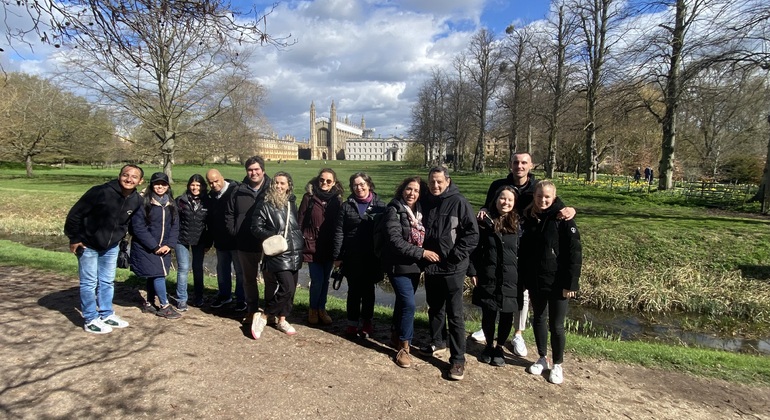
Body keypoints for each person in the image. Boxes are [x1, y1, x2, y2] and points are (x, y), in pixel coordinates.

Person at [473, 152, 575, 357]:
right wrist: (483, 209)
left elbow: (554, 203)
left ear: (531, 166)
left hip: (524, 243)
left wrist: (570, 210)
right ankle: (489, 331)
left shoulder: (536, 187)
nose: (519, 166)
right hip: (499, 239)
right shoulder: (498, 185)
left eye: (523, 163)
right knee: (498, 291)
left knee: (521, 295)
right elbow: (488, 204)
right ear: (510, 164)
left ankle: (518, 333)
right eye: (516, 162)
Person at [64, 164, 144, 334]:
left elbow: (128, 224)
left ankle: (106, 314)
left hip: (111, 246)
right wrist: (75, 238)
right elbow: (75, 215)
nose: (129, 179)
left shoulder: (136, 200)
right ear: (119, 175)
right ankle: (90, 319)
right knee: (89, 283)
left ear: (140, 181)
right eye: (126, 175)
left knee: (107, 281)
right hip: (88, 244)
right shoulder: (100, 192)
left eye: (134, 177)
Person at [519, 181, 582, 384]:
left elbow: (574, 253)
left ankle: (558, 364)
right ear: (534, 196)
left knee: (556, 325)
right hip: (536, 279)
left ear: (554, 197)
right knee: (538, 318)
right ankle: (542, 357)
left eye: (547, 197)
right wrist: (525, 278)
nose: (543, 200)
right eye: (539, 196)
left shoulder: (563, 218)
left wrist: (571, 284)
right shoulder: (530, 218)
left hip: (557, 281)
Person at [420, 166, 479, 381]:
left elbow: (472, 234)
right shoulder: (426, 201)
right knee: (435, 307)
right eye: (432, 182)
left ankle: (458, 359)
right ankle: (437, 342)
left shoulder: (459, 202)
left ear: (448, 181)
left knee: (455, 315)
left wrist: (455, 255)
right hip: (432, 264)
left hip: (453, 267)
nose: (435, 185)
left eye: (439, 181)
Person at [381, 176, 439, 368]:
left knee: (403, 302)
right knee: (409, 304)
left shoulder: (421, 211)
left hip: (414, 265)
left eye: (416, 190)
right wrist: (422, 253)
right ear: (402, 189)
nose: (412, 193)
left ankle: (395, 334)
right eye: (409, 189)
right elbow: (395, 241)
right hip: (397, 264)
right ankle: (404, 347)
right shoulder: (393, 210)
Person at [469, 186, 520, 368]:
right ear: (496, 200)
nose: (505, 202)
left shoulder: (519, 223)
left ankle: (499, 348)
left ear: (514, 203)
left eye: (510, 200)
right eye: (502, 198)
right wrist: (472, 271)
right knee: (489, 313)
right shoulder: (484, 222)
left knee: (506, 314)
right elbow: (474, 248)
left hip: (511, 278)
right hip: (488, 275)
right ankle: (489, 345)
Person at [250, 171, 304, 338]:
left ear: (288, 186)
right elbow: (255, 227)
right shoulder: (265, 203)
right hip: (279, 251)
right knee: (286, 288)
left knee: (291, 290)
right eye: (276, 183)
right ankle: (264, 316)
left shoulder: (292, 202)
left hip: (295, 251)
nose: (279, 186)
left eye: (282, 183)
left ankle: (282, 319)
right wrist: (273, 235)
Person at [333, 172, 387, 338]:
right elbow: (339, 231)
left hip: (372, 256)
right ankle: (352, 322)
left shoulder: (380, 205)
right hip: (352, 255)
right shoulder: (346, 206)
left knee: (369, 291)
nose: (359, 188)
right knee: (354, 291)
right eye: (355, 185)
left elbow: (385, 232)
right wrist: (337, 256)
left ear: (369, 185)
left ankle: (367, 322)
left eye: (362, 184)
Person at [225, 156, 271, 324]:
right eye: (250, 170)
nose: (253, 173)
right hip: (245, 241)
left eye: (256, 169)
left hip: (267, 243)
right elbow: (229, 213)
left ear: (263, 170)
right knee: (249, 280)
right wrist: (235, 231)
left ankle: (269, 312)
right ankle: (251, 310)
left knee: (270, 280)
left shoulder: (272, 189)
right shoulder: (238, 190)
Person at [130, 172, 182, 319]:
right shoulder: (143, 203)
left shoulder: (171, 204)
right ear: (152, 185)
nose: (160, 187)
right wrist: (154, 246)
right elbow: (138, 227)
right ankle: (165, 306)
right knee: (158, 274)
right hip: (146, 247)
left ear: (168, 186)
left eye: (163, 184)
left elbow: (175, 226)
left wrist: (169, 244)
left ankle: (149, 303)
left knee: (154, 274)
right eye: (157, 184)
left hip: (164, 247)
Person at [297, 168, 343, 326]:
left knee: (325, 281)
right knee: (317, 280)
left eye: (328, 181)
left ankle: (322, 309)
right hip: (312, 245)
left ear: (334, 183)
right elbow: (300, 221)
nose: (324, 183)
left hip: (329, 246)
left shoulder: (337, 200)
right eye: (322, 180)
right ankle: (313, 309)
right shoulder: (309, 197)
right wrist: (299, 242)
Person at [206, 169, 246, 311]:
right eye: (210, 183)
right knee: (222, 270)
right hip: (220, 241)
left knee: (240, 272)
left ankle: (242, 299)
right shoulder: (212, 196)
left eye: (216, 181)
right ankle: (224, 296)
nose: (214, 185)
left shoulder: (235, 191)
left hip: (236, 240)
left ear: (222, 178)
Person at [174, 174, 212, 310]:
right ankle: (181, 299)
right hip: (181, 239)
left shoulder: (208, 202)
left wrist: (208, 243)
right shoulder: (180, 201)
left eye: (198, 185)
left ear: (203, 187)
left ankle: (198, 298)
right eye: (192, 185)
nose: (195, 188)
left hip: (200, 239)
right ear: (188, 186)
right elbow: (174, 221)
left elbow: (210, 225)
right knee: (183, 268)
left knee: (197, 268)